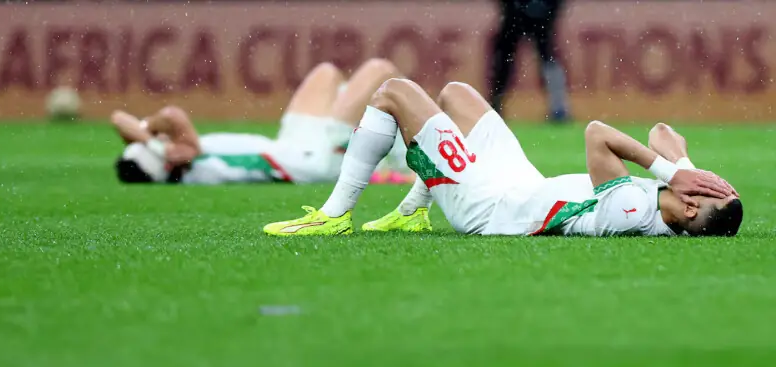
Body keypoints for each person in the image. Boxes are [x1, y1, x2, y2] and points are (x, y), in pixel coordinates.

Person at [263, 79, 742, 238]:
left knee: (394, 93)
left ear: (693, 206)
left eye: (708, 188)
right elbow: (663, 133)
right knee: (456, 94)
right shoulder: (678, 202)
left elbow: (598, 135)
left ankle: (334, 214)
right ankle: (411, 213)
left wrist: (668, 170)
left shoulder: (630, 211)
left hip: (486, 207)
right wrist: (683, 169)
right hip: (520, 183)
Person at [110, 59, 410, 185]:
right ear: (167, 161)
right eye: (158, 147)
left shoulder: (170, 161)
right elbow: (172, 115)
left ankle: (371, 131)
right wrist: (150, 136)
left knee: (327, 73)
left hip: (291, 143)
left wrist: (146, 138)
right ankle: (405, 162)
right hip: (314, 160)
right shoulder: (184, 157)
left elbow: (118, 118)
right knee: (380, 69)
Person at [490, 0, 571, 122]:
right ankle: (495, 106)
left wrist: (547, 10)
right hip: (516, 15)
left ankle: (558, 108)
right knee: (503, 64)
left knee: (548, 59)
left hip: (535, 15)